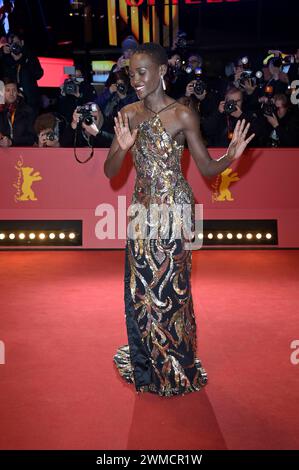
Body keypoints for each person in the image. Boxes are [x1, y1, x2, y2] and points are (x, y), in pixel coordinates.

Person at [104, 43, 254, 398]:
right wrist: (122, 148)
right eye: (132, 74)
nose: (136, 80)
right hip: (142, 213)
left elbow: (205, 168)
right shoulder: (126, 114)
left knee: (173, 290)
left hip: (175, 213)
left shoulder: (183, 114)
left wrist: (230, 156)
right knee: (141, 292)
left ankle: (176, 362)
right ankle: (147, 366)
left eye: (142, 72)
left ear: (161, 72)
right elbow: (111, 172)